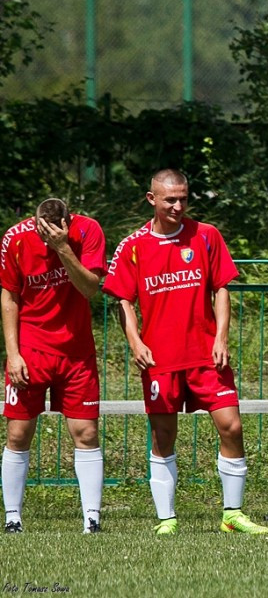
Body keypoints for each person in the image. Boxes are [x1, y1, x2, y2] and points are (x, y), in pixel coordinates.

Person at [103, 169, 268, 535]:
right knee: (163, 435)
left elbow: (222, 288)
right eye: (170, 200)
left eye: (183, 198)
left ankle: (232, 514)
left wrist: (221, 337)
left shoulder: (206, 236)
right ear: (152, 200)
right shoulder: (132, 246)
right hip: (160, 359)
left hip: (206, 356)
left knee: (232, 426)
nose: (178, 206)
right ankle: (167, 519)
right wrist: (136, 343)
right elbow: (122, 301)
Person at [1, 198, 106, 534]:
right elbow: (9, 297)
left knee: (86, 433)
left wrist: (62, 249)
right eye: (40, 230)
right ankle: (13, 517)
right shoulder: (14, 239)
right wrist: (13, 354)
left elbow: (90, 289)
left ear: (66, 222)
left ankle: (92, 518)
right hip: (31, 349)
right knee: (18, 434)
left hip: (76, 353)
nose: (45, 236)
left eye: (53, 231)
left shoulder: (88, 231)